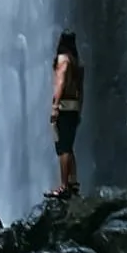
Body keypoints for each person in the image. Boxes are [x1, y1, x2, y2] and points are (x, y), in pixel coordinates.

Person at [45, 30, 84, 199]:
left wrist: (55, 107)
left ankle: (63, 186)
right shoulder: (77, 64)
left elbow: (60, 84)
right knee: (69, 146)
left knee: (62, 148)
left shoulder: (63, 60)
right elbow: (81, 91)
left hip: (64, 106)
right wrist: (80, 110)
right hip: (74, 107)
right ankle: (73, 183)